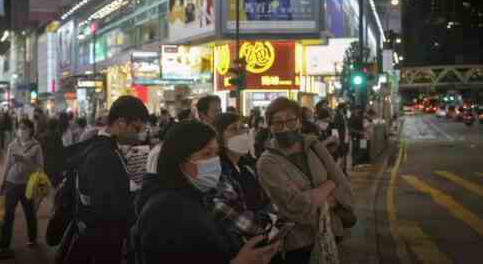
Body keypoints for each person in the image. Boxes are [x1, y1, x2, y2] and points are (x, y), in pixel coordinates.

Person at [134, 120, 280, 264]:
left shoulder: (198, 196)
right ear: (180, 161)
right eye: (206, 154)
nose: (215, 161)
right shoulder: (165, 210)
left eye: (216, 153)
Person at [256, 97, 353, 263]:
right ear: (270, 127)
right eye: (278, 123)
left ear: (299, 121)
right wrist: (329, 186)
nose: (285, 127)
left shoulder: (314, 145)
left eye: (291, 121)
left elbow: (344, 185)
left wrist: (319, 200)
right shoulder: (267, 162)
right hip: (297, 245)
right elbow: (294, 205)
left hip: (331, 232)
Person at [62, 96, 149, 263]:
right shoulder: (103, 155)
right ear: (121, 123)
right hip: (102, 243)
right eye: (137, 128)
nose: (140, 135)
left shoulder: (103, 147)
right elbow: (106, 207)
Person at [213, 113, 274, 253]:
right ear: (219, 138)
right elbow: (241, 219)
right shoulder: (219, 170)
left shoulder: (247, 167)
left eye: (242, 128)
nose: (241, 133)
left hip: (261, 241)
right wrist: (271, 222)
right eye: (234, 129)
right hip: (237, 248)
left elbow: (266, 199)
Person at [0, 118, 44, 260]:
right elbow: (7, 165)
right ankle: (4, 245)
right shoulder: (12, 145)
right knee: (7, 215)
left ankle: (32, 238)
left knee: (29, 213)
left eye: (25, 128)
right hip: (11, 183)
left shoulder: (36, 146)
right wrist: (2, 182)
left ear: (31, 130)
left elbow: (40, 168)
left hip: (27, 185)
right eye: (20, 128)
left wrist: (25, 161)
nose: (22, 131)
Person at [37, 118, 65, 187]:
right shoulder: (57, 136)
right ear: (56, 126)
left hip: (44, 162)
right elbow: (60, 150)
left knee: (43, 182)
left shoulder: (42, 136)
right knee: (53, 184)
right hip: (54, 163)